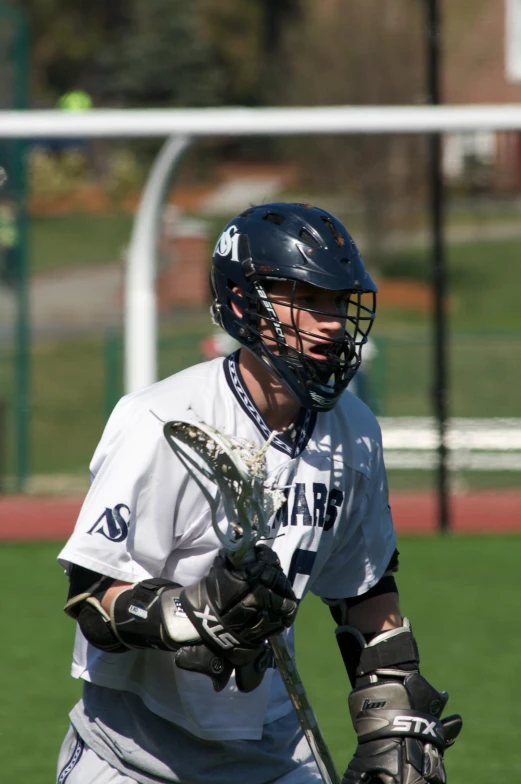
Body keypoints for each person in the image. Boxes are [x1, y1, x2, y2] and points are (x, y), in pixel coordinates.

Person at [57, 202, 462, 784]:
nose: (330, 323)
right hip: (133, 754)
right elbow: (91, 592)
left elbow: (367, 595)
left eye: (337, 305)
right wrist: (185, 615)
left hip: (273, 753)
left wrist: (394, 720)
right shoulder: (162, 421)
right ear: (246, 303)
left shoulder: (355, 432)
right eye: (308, 301)